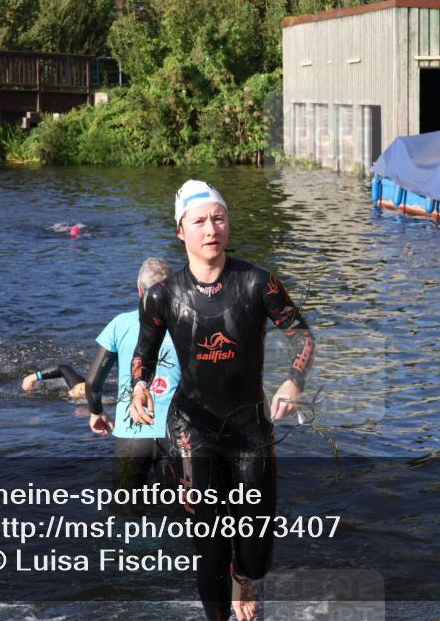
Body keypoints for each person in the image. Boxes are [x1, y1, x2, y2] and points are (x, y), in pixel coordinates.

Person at [130, 180, 316, 621]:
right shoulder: (163, 295)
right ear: (181, 231)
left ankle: (243, 578)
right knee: (209, 543)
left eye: (219, 218)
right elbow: (144, 355)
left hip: (250, 429)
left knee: (255, 552)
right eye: (199, 221)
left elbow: (302, 335)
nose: (211, 228)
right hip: (192, 429)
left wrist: (294, 382)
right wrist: (139, 386)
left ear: (228, 224)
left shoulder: (258, 283)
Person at [85, 258, 181, 492]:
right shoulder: (187, 324)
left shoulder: (121, 324)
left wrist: (97, 411)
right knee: (177, 511)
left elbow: (93, 381)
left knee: (125, 507)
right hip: (178, 434)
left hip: (133, 432)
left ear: (140, 290)